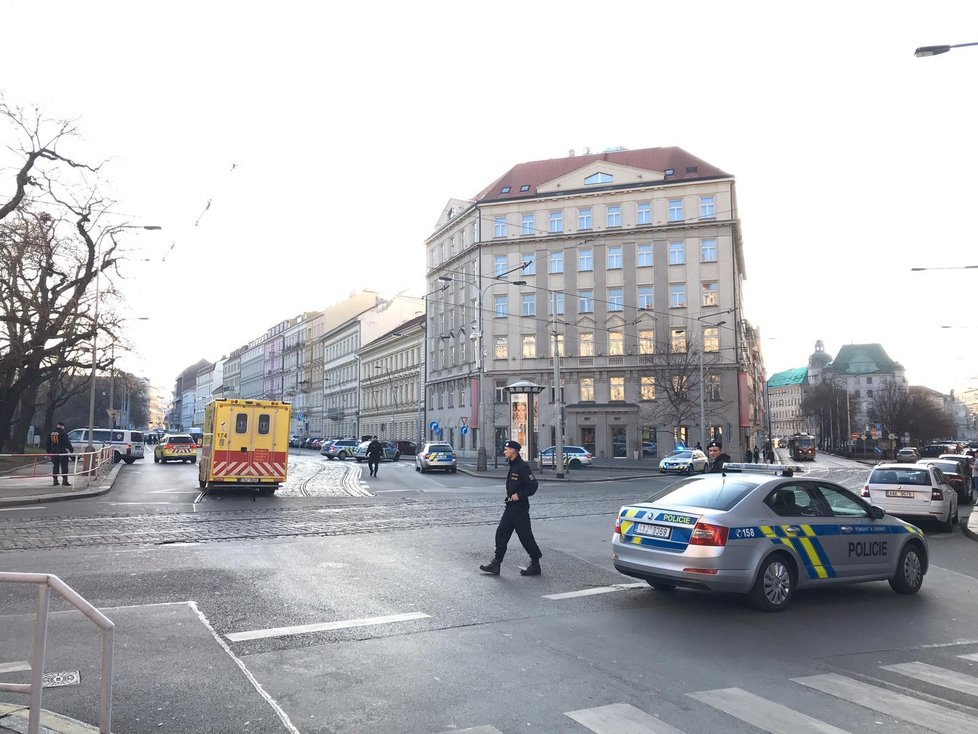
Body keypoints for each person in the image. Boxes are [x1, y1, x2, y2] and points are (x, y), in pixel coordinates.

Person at [480, 439, 542, 576]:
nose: (504, 451)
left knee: (526, 537)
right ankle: (496, 564)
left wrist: (519, 495)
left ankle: (535, 564)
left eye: (506, 449)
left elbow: (533, 485)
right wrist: (509, 490)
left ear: (513, 450)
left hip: (519, 509)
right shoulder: (513, 465)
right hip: (511, 508)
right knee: (501, 533)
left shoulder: (522, 466)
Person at [46, 421, 73, 487]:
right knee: (64, 466)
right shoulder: (63, 433)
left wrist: (49, 452)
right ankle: (64, 480)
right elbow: (67, 443)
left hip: (53, 451)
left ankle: (55, 481)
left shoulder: (51, 433)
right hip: (62, 451)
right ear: (62, 426)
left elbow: (47, 443)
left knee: (55, 466)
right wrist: (71, 449)